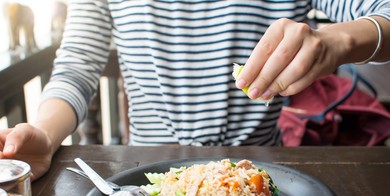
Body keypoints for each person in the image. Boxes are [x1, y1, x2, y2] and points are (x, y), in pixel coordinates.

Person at [1, 0, 389, 181]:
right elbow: (76, 68)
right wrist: (46, 135)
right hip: (144, 179)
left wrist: (340, 40)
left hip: (262, 175)